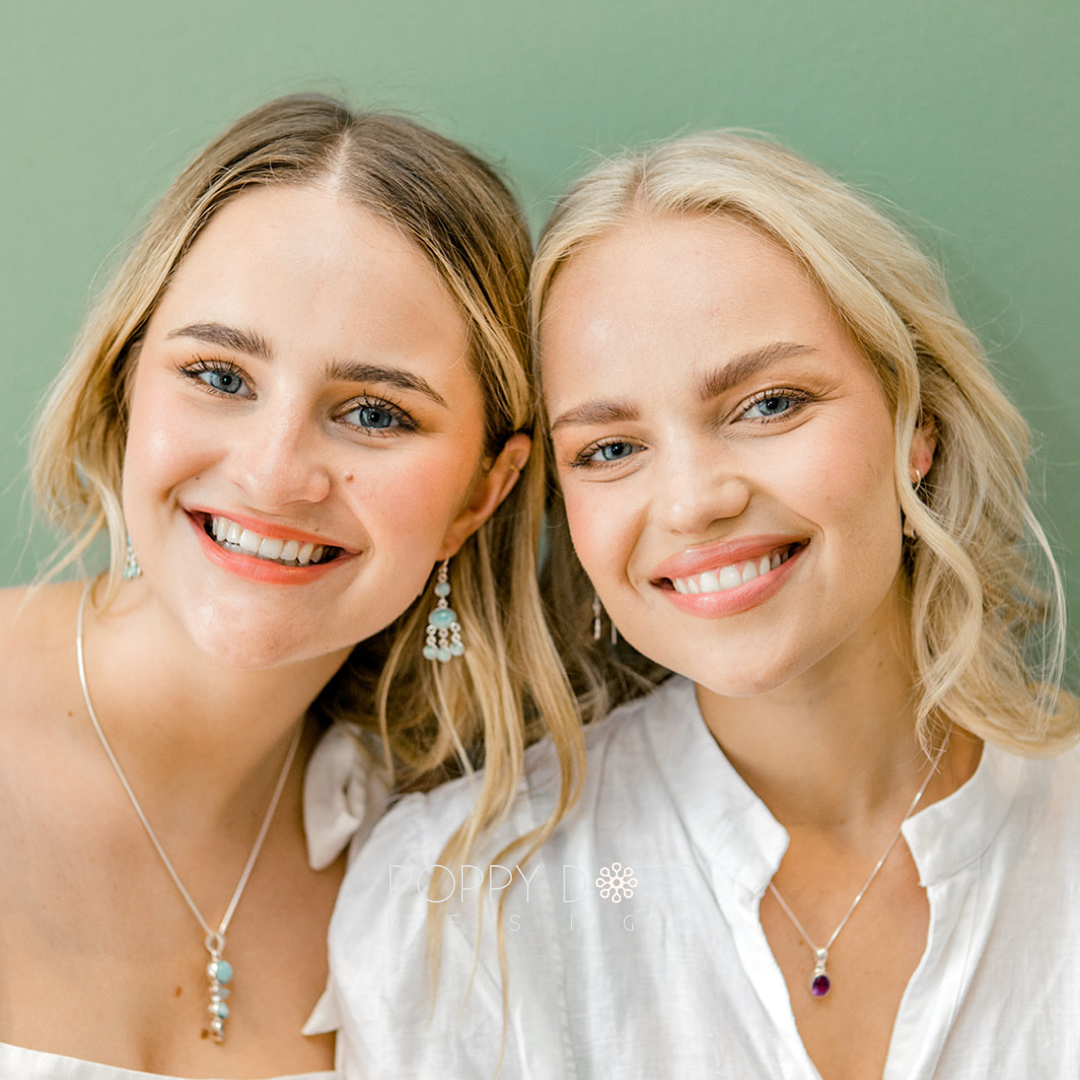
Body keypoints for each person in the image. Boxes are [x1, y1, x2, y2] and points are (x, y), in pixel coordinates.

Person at [329, 131, 1080, 1078]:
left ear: (915, 424)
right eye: (609, 449)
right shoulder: (458, 906)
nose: (693, 501)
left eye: (768, 403)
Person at [0, 93, 583, 1078]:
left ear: (483, 492)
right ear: (123, 386)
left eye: (374, 413)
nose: (274, 475)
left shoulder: (443, 870)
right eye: (221, 377)